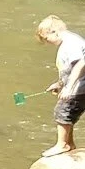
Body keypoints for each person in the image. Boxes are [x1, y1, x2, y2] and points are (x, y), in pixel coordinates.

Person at [36, 14, 85, 156]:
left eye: (46, 39)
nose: (47, 43)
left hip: (80, 86)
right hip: (78, 85)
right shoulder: (69, 41)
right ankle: (69, 144)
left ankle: (62, 144)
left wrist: (69, 88)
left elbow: (81, 64)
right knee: (68, 112)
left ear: (54, 32)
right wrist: (60, 84)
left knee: (62, 111)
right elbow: (69, 69)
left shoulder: (71, 43)